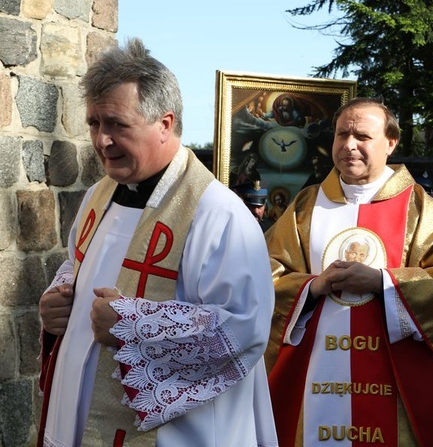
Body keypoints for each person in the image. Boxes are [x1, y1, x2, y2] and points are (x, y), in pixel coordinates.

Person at [37, 38, 277, 447]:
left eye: (117, 124)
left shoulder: (219, 215)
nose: (102, 141)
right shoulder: (100, 195)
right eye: (94, 123)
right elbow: (82, 268)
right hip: (76, 419)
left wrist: (134, 326)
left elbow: (245, 328)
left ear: (165, 123)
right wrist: (59, 300)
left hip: (179, 434)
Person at [264, 98, 433, 446]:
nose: (349, 145)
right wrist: (313, 287)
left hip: (393, 379)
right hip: (316, 375)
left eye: (362, 136)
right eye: (341, 135)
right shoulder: (306, 206)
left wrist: (383, 282)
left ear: (390, 143)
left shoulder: (419, 208)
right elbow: (265, 276)